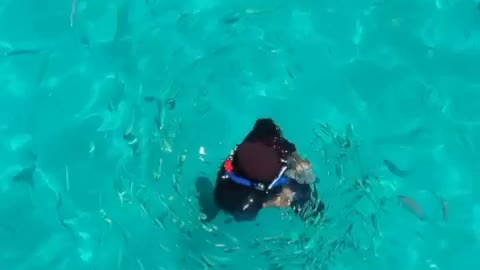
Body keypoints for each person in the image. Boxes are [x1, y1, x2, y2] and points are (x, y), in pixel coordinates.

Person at [196, 118, 324, 222]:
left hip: (249, 176)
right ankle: (207, 200)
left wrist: (297, 158)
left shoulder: (262, 134)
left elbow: (270, 126)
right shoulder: (243, 203)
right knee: (230, 210)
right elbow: (256, 205)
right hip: (241, 195)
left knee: (302, 189)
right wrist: (278, 200)